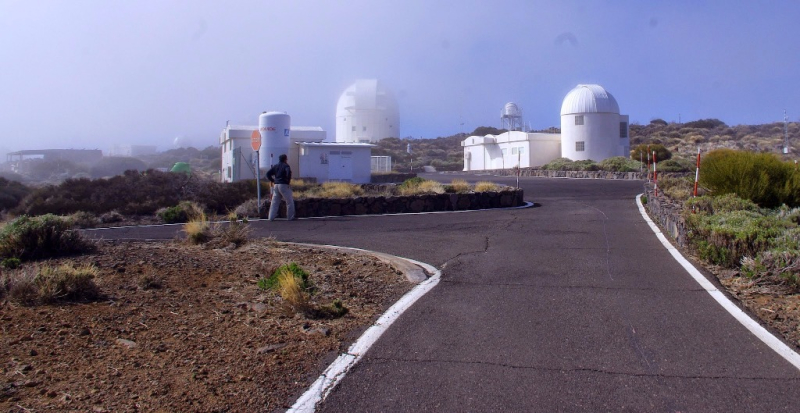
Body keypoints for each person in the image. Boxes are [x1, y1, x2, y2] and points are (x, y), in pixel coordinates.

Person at [266, 154, 295, 221]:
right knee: (289, 201)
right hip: (284, 185)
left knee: (274, 202)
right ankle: (290, 217)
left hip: (276, 185)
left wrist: (273, 180)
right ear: (285, 159)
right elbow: (288, 173)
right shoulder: (286, 166)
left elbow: (268, 174)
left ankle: (271, 217)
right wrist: (287, 181)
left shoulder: (276, 166)